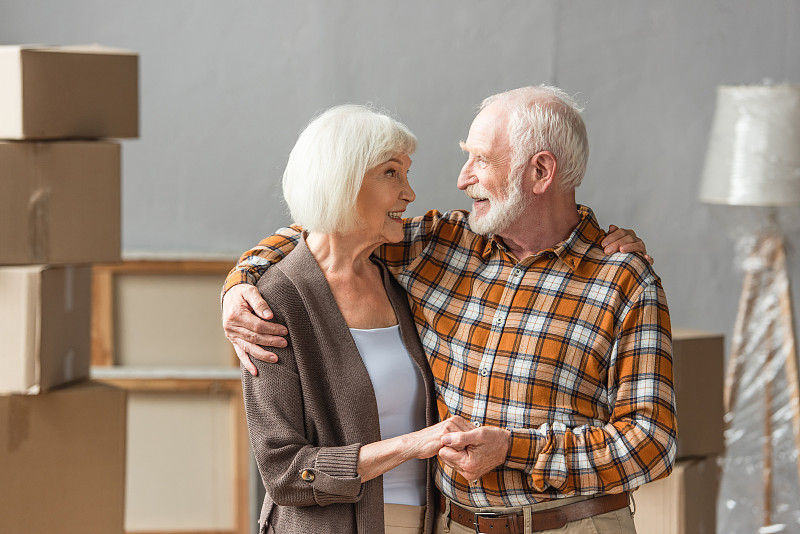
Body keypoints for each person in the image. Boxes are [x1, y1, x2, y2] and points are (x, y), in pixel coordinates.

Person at [224, 86, 676, 534]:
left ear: (541, 171)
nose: (462, 179)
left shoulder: (623, 280)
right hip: (450, 525)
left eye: (480, 159)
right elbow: (331, 225)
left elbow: (651, 444)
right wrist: (240, 282)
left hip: (572, 526)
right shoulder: (441, 246)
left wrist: (514, 449)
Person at [242, 104, 476, 534]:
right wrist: (411, 445)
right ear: (342, 181)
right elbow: (284, 472)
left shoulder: (399, 278)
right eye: (391, 173)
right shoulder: (274, 301)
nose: (410, 193)